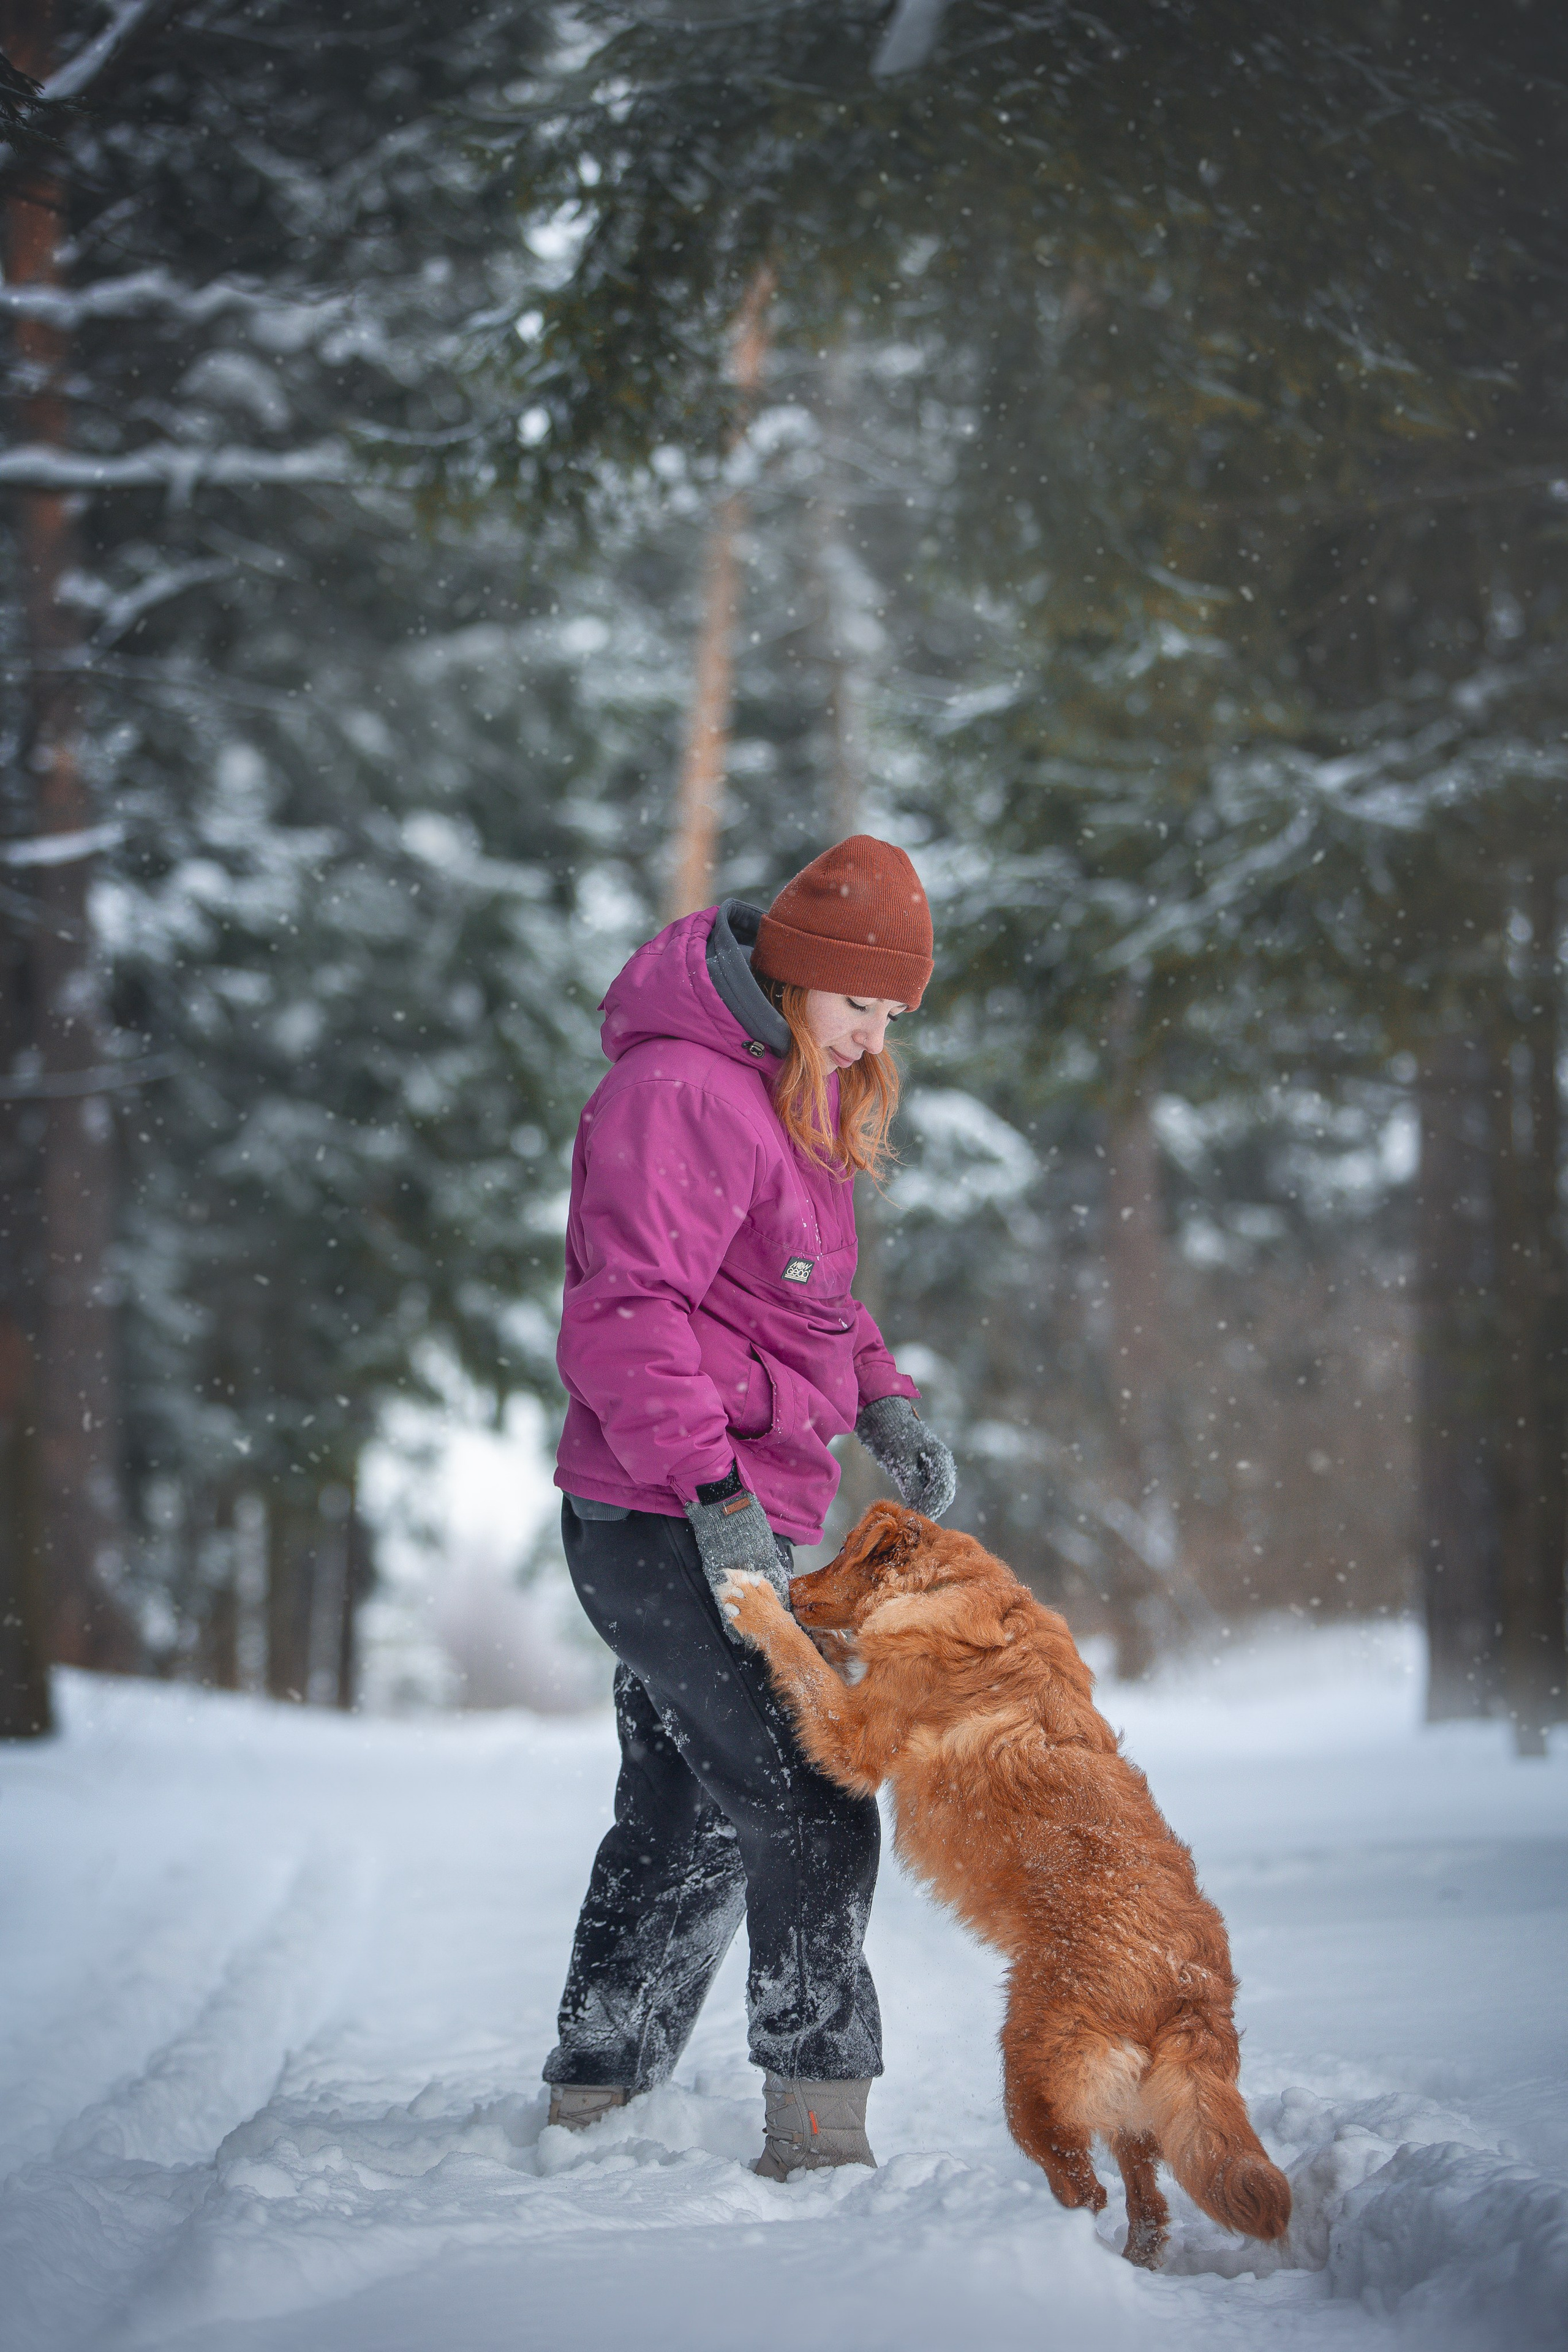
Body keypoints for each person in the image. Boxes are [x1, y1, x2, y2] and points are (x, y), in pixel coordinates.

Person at [542, 834, 957, 2179]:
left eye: (893, 1013)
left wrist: (881, 1398)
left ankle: (599, 2094)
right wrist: (711, 1486)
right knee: (814, 1789)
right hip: (661, 1512)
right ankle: (820, 2127)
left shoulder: (790, 1090)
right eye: (858, 1004)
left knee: (686, 1809)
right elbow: (625, 1315)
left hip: (730, 1513)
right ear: (795, 975)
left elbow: (805, 1299)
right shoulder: (677, 1091)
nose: (871, 1034)